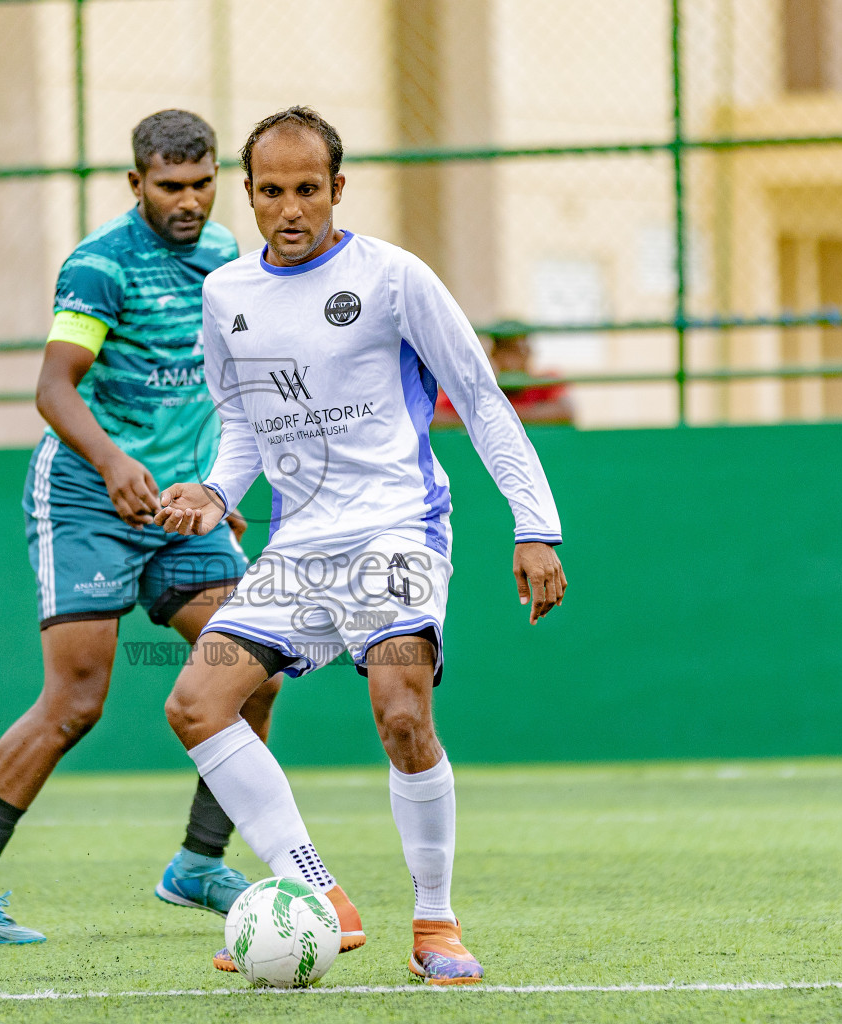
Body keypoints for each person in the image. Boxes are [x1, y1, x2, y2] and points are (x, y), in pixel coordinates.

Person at [152, 106, 567, 985]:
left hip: (396, 531)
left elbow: (482, 398)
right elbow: (240, 423)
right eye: (272, 191)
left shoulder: (394, 278)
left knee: (402, 713)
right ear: (250, 196)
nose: (291, 208)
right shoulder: (225, 294)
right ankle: (319, 895)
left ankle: (435, 922)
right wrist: (217, 491)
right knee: (194, 703)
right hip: (298, 548)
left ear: (339, 189)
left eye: (309, 190)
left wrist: (536, 525)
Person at [0, 109, 281, 945]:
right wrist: (114, 464)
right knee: (76, 701)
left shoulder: (227, 258)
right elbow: (54, 388)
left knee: (254, 673)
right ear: (135, 184)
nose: (188, 201)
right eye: (169, 186)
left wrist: (222, 485)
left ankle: (198, 864)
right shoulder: (101, 266)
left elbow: (226, 387)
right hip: (89, 497)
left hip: (180, 509)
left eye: (201, 184)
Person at [433, 323, 574, 427]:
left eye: (519, 351)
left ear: (529, 353)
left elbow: (566, 411)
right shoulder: (479, 387)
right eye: (506, 351)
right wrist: (479, 421)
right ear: (494, 355)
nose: (512, 361)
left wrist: (499, 418)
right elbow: (434, 416)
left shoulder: (545, 381)